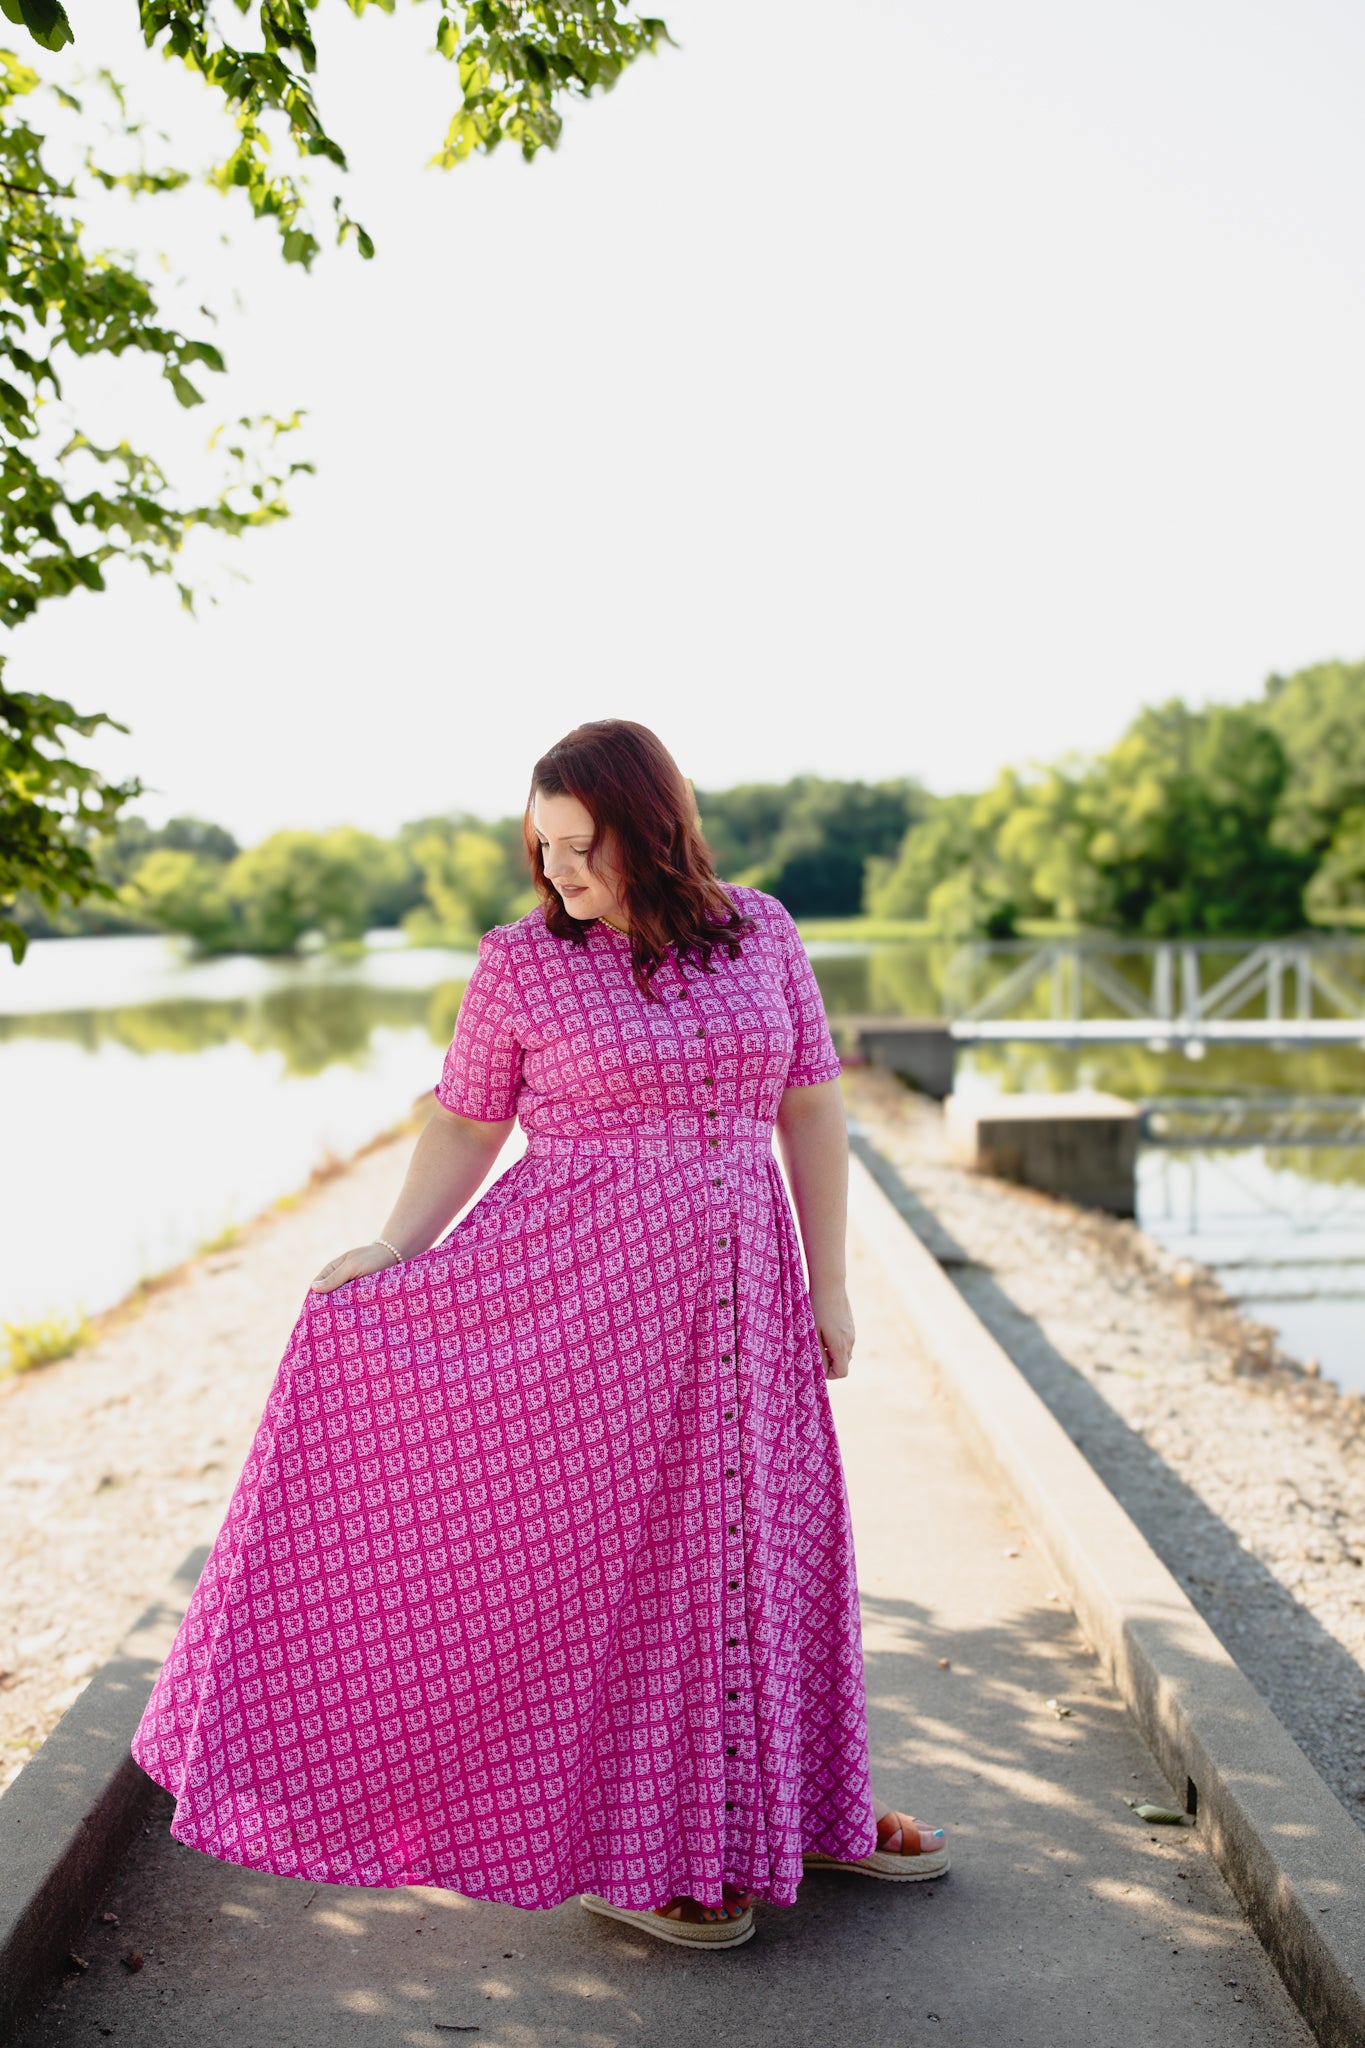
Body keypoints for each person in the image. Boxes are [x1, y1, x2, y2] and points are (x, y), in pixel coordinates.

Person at [130, 719, 948, 1952]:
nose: (558, 871)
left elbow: (813, 1107)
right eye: (542, 846)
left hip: (741, 1295)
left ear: (652, 828)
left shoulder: (764, 932)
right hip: (579, 1301)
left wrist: (830, 1286)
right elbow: (465, 1126)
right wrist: (394, 1251)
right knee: (614, 1565)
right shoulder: (521, 963)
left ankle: (806, 1804)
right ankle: (636, 1844)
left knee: (763, 1536)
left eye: (581, 844)